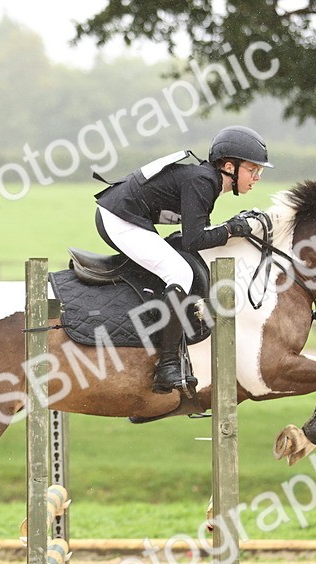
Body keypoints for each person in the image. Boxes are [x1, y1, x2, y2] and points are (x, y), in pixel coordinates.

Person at [93, 125, 272, 394]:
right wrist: (232, 229)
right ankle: (167, 366)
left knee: (181, 265)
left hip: (124, 215)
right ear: (229, 167)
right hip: (119, 219)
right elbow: (195, 240)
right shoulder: (203, 181)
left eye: (259, 171)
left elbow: (197, 235)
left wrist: (230, 228)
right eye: (252, 169)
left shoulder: (206, 180)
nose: (257, 177)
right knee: (180, 273)